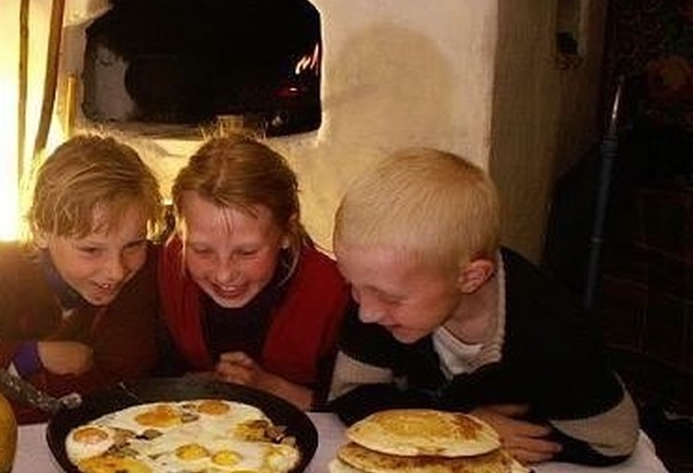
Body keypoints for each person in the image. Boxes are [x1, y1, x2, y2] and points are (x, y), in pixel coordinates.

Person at [328, 147, 639, 466]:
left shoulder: (555, 334)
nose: (365, 313)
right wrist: (461, 426)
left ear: (471, 277)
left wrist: (483, 439)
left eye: (392, 298)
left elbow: (613, 442)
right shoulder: (377, 292)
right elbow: (350, 397)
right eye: (351, 285)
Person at [0, 134, 166, 423]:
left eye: (133, 245)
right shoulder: (2, 268)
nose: (116, 271)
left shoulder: (149, 275)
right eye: (91, 250)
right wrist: (31, 355)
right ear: (41, 230)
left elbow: (126, 384)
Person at [157, 133, 349, 410]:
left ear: (287, 232)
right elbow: (151, 374)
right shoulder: (167, 270)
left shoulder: (332, 292)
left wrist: (269, 388)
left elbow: (358, 407)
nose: (223, 275)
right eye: (202, 250)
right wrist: (202, 383)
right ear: (180, 231)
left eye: (246, 252)